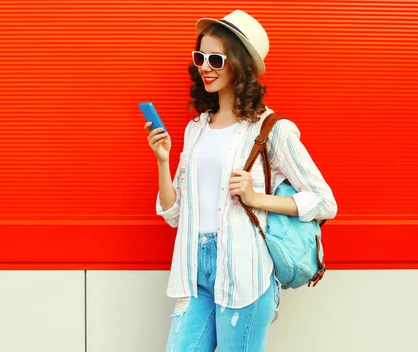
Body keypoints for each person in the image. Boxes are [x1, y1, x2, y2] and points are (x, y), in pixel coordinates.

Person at [144, 9, 337, 352]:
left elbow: (325, 201)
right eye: (200, 57)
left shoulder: (273, 129)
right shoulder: (197, 128)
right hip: (193, 271)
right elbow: (174, 215)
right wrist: (162, 161)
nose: (205, 67)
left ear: (240, 65)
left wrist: (256, 197)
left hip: (245, 272)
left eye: (216, 59)